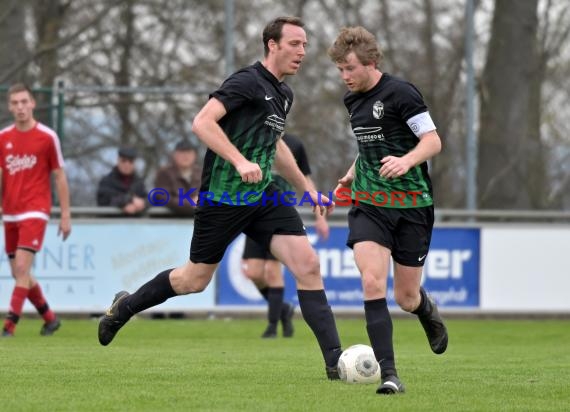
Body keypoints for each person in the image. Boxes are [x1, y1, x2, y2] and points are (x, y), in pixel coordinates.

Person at [98, 16, 343, 380]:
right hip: (224, 197)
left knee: (308, 266)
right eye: (295, 43)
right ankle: (125, 307)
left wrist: (307, 188)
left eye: (305, 45)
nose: (302, 52)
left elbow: (275, 145)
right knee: (194, 281)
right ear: (272, 45)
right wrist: (240, 160)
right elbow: (202, 122)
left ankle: (335, 364)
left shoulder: (284, 94)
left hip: (265, 197)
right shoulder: (246, 81)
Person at [328, 26, 448, 394]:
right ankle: (390, 374)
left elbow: (433, 141)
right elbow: (368, 147)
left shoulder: (402, 93)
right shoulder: (352, 101)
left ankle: (425, 308)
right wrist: (350, 175)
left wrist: (407, 161)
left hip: (412, 206)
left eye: (350, 68)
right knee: (371, 281)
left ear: (371, 62)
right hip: (370, 204)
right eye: (340, 70)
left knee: (405, 298)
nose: (345, 77)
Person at [241, 133, 329, 339]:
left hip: (278, 215)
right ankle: (283, 310)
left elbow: (306, 179)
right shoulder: (253, 137)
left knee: (273, 272)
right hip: (253, 214)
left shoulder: (295, 144)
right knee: (254, 273)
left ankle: (272, 327)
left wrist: (320, 217)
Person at [0, 83, 71, 337]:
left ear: (32, 103)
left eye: (24, 102)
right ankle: (50, 319)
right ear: (10, 107)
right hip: (9, 212)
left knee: (21, 268)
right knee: (20, 273)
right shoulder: (3, 137)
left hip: (35, 210)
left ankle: (9, 326)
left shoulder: (47, 136)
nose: (20, 107)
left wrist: (65, 214)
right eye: (15, 103)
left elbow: (60, 176)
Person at [154, 138, 201, 216]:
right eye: (182, 153)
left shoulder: (201, 174)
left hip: (198, 220)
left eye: (189, 153)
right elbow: (163, 197)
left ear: (194, 156)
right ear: (174, 155)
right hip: (170, 220)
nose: (186, 156)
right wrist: (190, 203)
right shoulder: (164, 173)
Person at [96, 147, 147, 215]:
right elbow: (106, 199)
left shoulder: (139, 183)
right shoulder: (106, 181)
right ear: (118, 161)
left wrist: (142, 204)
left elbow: (146, 198)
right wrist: (129, 201)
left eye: (130, 162)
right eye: (123, 161)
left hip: (134, 224)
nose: (127, 165)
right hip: (111, 223)